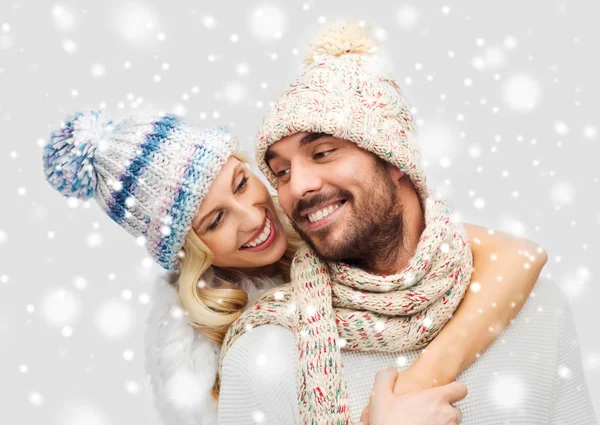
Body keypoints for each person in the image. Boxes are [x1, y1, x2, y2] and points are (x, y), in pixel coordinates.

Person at [43, 112, 545, 425]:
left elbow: (518, 256)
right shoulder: (220, 356)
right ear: (187, 253)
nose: (253, 217)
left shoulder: (321, 217)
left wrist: (420, 381)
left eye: (241, 184)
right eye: (215, 220)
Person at [215, 22, 597, 424]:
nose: (299, 186)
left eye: (324, 152)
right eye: (282, 172)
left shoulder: (536, 307)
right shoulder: (264, 353)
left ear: (394, 159)